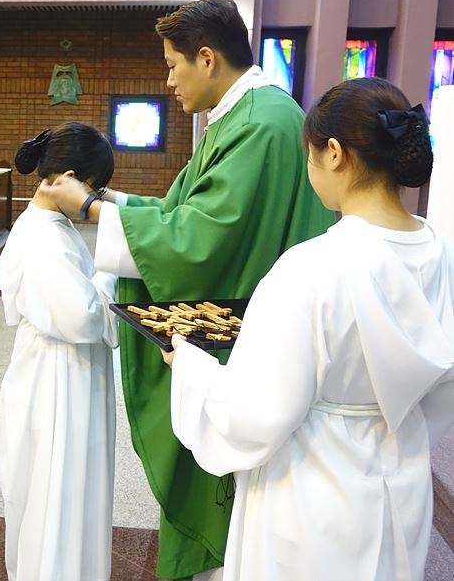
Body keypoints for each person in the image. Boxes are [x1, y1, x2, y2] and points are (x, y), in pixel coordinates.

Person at [39, 0, 334, 581]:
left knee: (235, 516)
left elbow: (199, 238)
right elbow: (181, 210)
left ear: (207, 58)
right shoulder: (241, 115)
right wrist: (108, 200)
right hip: (248, 323)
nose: (168, 80)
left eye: (173, 65)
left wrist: (93, 207)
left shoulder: (259, 123)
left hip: (248, 341)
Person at [163, 77, 454, 580]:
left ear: (334, 154)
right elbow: (439, 393)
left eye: (310, 155)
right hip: (401, 479)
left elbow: (257, 414)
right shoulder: (441, 254)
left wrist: (190, 366)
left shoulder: (311, 266)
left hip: (311, 490)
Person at [0, 123, 119, 581]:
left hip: (62, 369)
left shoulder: (49, 224)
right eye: (94, 188)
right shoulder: (44, 236)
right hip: (57, 379)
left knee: (67, 491)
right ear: (66, 179)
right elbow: (81, 317)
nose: (93, 200)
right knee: (57, 493)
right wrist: (114, 272)